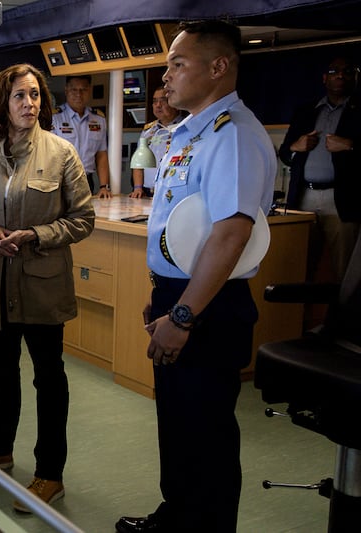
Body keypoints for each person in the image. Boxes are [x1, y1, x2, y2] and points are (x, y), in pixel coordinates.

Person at [115, 21, 275, 533]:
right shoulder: (191, 134)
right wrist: (163, 292)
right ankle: (176, 518)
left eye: (177, 64)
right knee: (179, 426)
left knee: (206, 435)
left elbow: (230, 235)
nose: (166, 76)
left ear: (219, 67)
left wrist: (183, 316)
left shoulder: (233, 135)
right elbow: (183, 227)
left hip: (210, 306)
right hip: (181, 294)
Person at [0, 63, 94, 512]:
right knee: (1, 370)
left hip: (41, 288)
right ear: (3, 102)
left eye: (35, 95)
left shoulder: (62, 154)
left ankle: (50, 474)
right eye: (20, 95)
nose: (29, 103)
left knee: (48, 379)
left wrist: (36, 234)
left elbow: (83, 219)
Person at [279, 56, 361, 283]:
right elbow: (285, 153)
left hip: (343, 201)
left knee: (345, 273)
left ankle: (342, 308)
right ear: (325, 78)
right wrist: (296, 147)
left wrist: (351, 146)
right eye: (334, 71)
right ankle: (299, 308)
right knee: (298, 265)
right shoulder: (306, 111)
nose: (340, 75)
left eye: (347, 71)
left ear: (355, 77)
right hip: (303, 197)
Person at [51, 74, 112, 197]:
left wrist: (103, 186)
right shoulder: (54, 117)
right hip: (61, 180)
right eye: (74, 89)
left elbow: (101, 154)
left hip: (87, 180)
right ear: (66, 90)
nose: (79, 94)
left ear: (89, 90)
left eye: (83, 89)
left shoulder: (98, 119)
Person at [129, 87, 184, 198]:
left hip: (173, 192)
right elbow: (139, 163)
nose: (158, 105)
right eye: (155, 101)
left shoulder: (185, 128)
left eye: (163, 100)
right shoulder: (148, 131)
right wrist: (138, 188)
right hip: (147, 193)